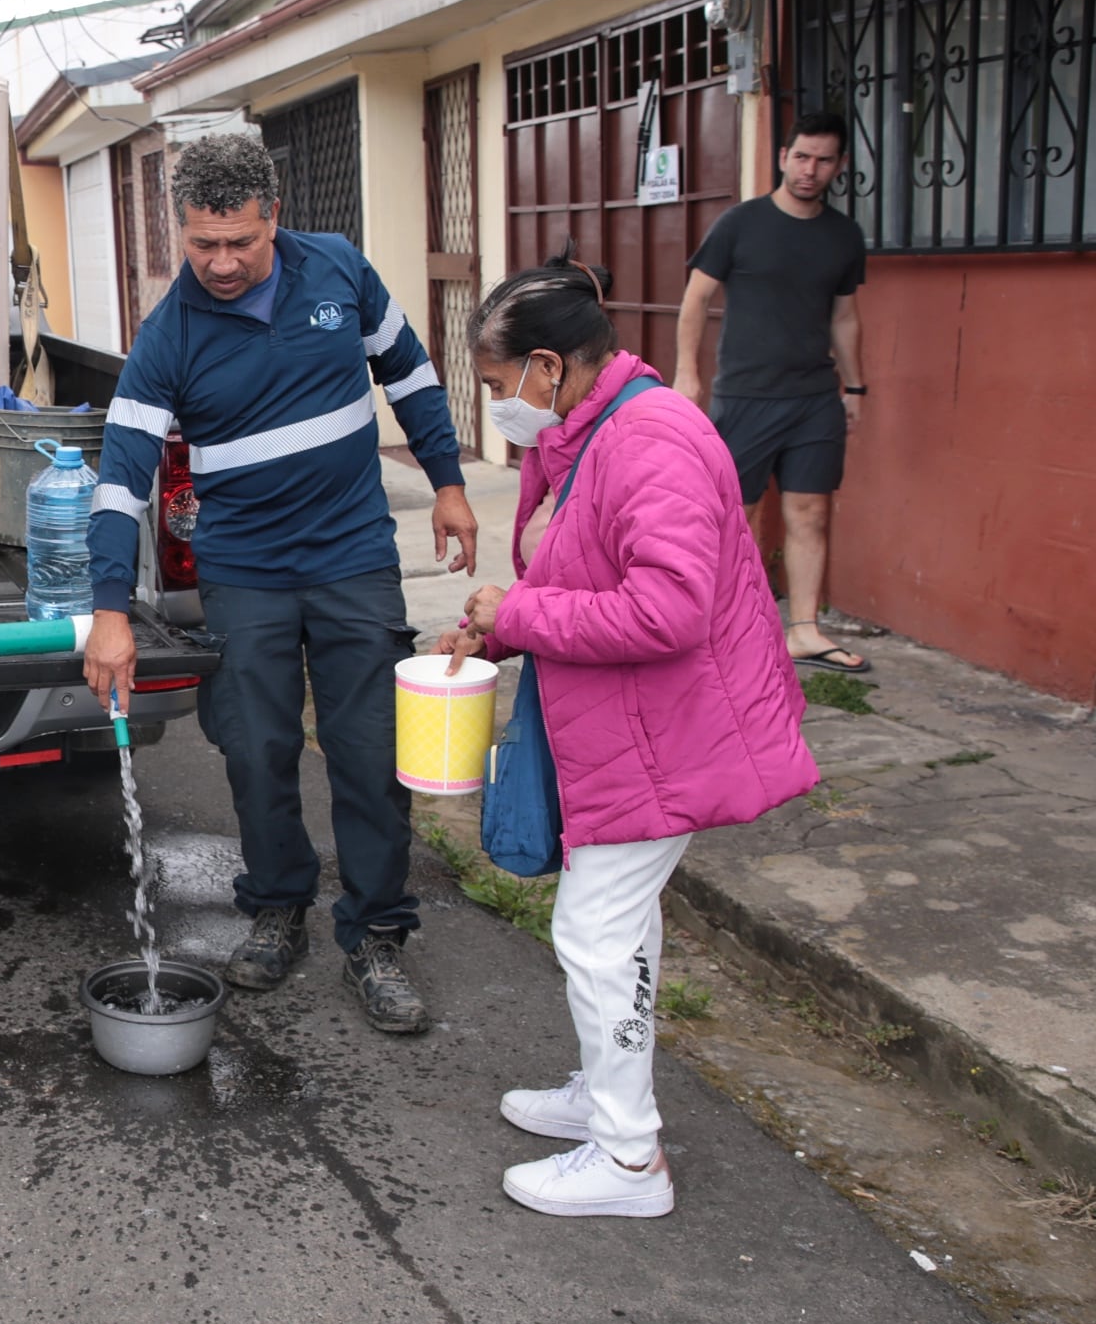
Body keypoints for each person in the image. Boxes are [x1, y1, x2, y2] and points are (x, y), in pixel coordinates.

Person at [440, 255, 816, 1218]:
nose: (498, 409)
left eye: (497, 386)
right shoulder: (589, 429)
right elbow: (581, 563)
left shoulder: (649, 440)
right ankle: (602, 1095)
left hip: (671, 730)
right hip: (633, 730)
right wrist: (502, 612)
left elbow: (668, 610)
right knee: (616, 925)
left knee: (597, 932)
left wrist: (520, 618)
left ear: (548, 368)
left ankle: (628, 1159)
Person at [82, 133, 479, 1032]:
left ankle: (377, 933)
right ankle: (276, 907)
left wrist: (449, 484)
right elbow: (120, 478)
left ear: (274, 220)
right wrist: (110, 611)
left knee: (371, 756)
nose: (220, 264)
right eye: (201, 245)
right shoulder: (168, 334)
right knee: (256, 752)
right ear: (180, 233)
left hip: (352, 558)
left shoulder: (338, 272)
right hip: (246, 572)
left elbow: (410, 375)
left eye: (240, 244)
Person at [672, 109, 872, 673]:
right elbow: (695, 299)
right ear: (784, 157)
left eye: (824, 160)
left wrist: (854, 385)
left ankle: (804, 630)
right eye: (802, 156)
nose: (811, 169)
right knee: (736, 513)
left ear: (839, 166)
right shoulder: (741, 224)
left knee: (810, 511)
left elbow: (845, 317)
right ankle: (719, 626)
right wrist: (687, 372)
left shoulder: (842, 235)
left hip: (814, 396)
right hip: (746, 396)